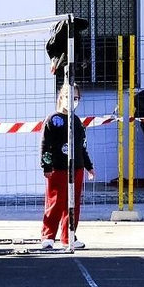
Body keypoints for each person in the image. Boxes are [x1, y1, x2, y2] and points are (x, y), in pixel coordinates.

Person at [38, 84, 94, 251]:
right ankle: (48, 236)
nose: (72, 101)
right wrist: (46, 165)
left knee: (73, 203)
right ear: (61, 97)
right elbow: (45, 145)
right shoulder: (52, 120)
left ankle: (68, 235)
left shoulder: (76, 121)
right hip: (57, 168)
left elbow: (82, 146)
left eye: (76, 98)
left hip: (76, 168)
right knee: (55, 202)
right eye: (69, 97)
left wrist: (89, 166)